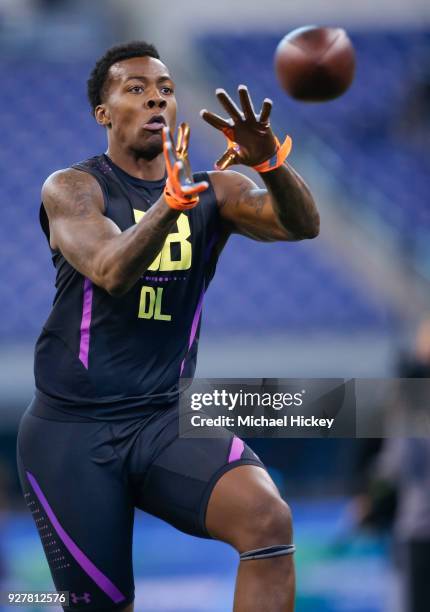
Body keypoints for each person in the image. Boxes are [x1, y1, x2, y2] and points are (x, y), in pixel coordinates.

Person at [16, 41, 319, 612]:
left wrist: (270, 162)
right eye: (136, 89)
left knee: (267, 520)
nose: (156, 97)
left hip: (163, 419)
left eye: (165, 89)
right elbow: (110, 270)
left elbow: (301, 225)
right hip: (73, 432)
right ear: (103, 114)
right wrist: (168, 206)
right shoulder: (74, 188)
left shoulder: (215, 191)